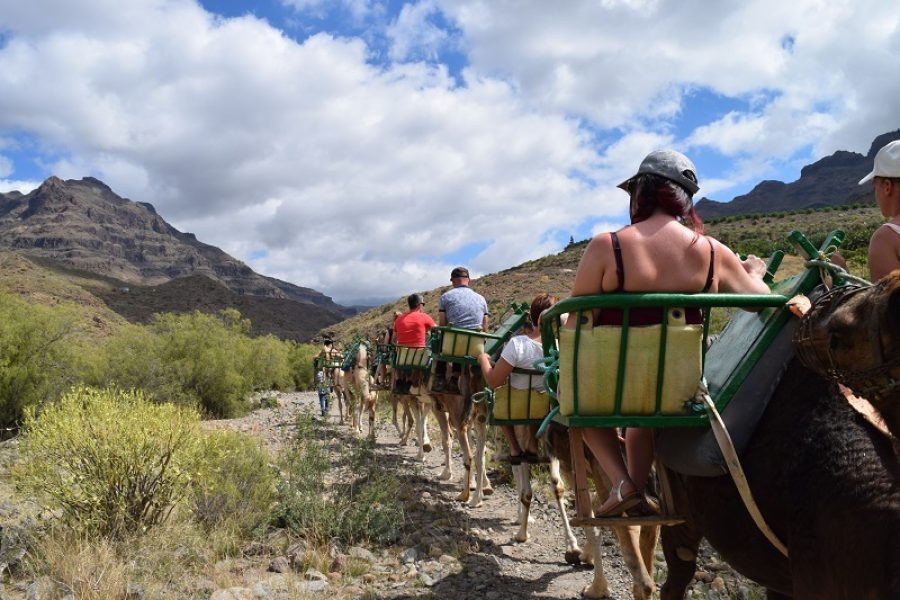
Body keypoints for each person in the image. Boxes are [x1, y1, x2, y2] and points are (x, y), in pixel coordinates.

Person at [570, 149, 771, 517]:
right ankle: (638, 480)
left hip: (611, 386)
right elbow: (763, 302)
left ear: (640, 193)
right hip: (680, 388)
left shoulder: (607, 246)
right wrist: (753, 274)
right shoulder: (713, 252)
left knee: (580, 408)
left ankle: (624, 482)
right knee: (646, 411)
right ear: (684, 200)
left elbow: (574, 327)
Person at [477, 293, 557, 464]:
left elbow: (493, 381)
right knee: (538, 393)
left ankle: (514, 447)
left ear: (532, 316)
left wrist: (483, 359)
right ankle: (533, 444)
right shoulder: (557, 347)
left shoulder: (517, 344)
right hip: (542, 410)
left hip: (511, 408)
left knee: (500, 393)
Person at [433, 266, 490, 392]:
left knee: (444, 340)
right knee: (464, 342)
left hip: (453, 345)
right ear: (468, 280)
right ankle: (469, 373)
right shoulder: (481, 298)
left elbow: (442, 323)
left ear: (453, 281)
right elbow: (485, 324)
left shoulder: (445, 297)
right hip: (476, 346)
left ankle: (440, 378)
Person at [859, 139, 900, 281]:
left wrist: (841, 274)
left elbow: (885, 302)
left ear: (887, 186)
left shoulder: (886, 238)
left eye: (875, 185)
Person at [393, 294, 436, 393]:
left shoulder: (399, 319)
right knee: (423, 358)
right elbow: (436, 329)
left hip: (402, 357)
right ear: (419, 305)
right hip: (418, 357)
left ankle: (399, 380)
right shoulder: (424, 317)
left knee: (396, 354)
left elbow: (394, 339)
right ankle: (411, 380)